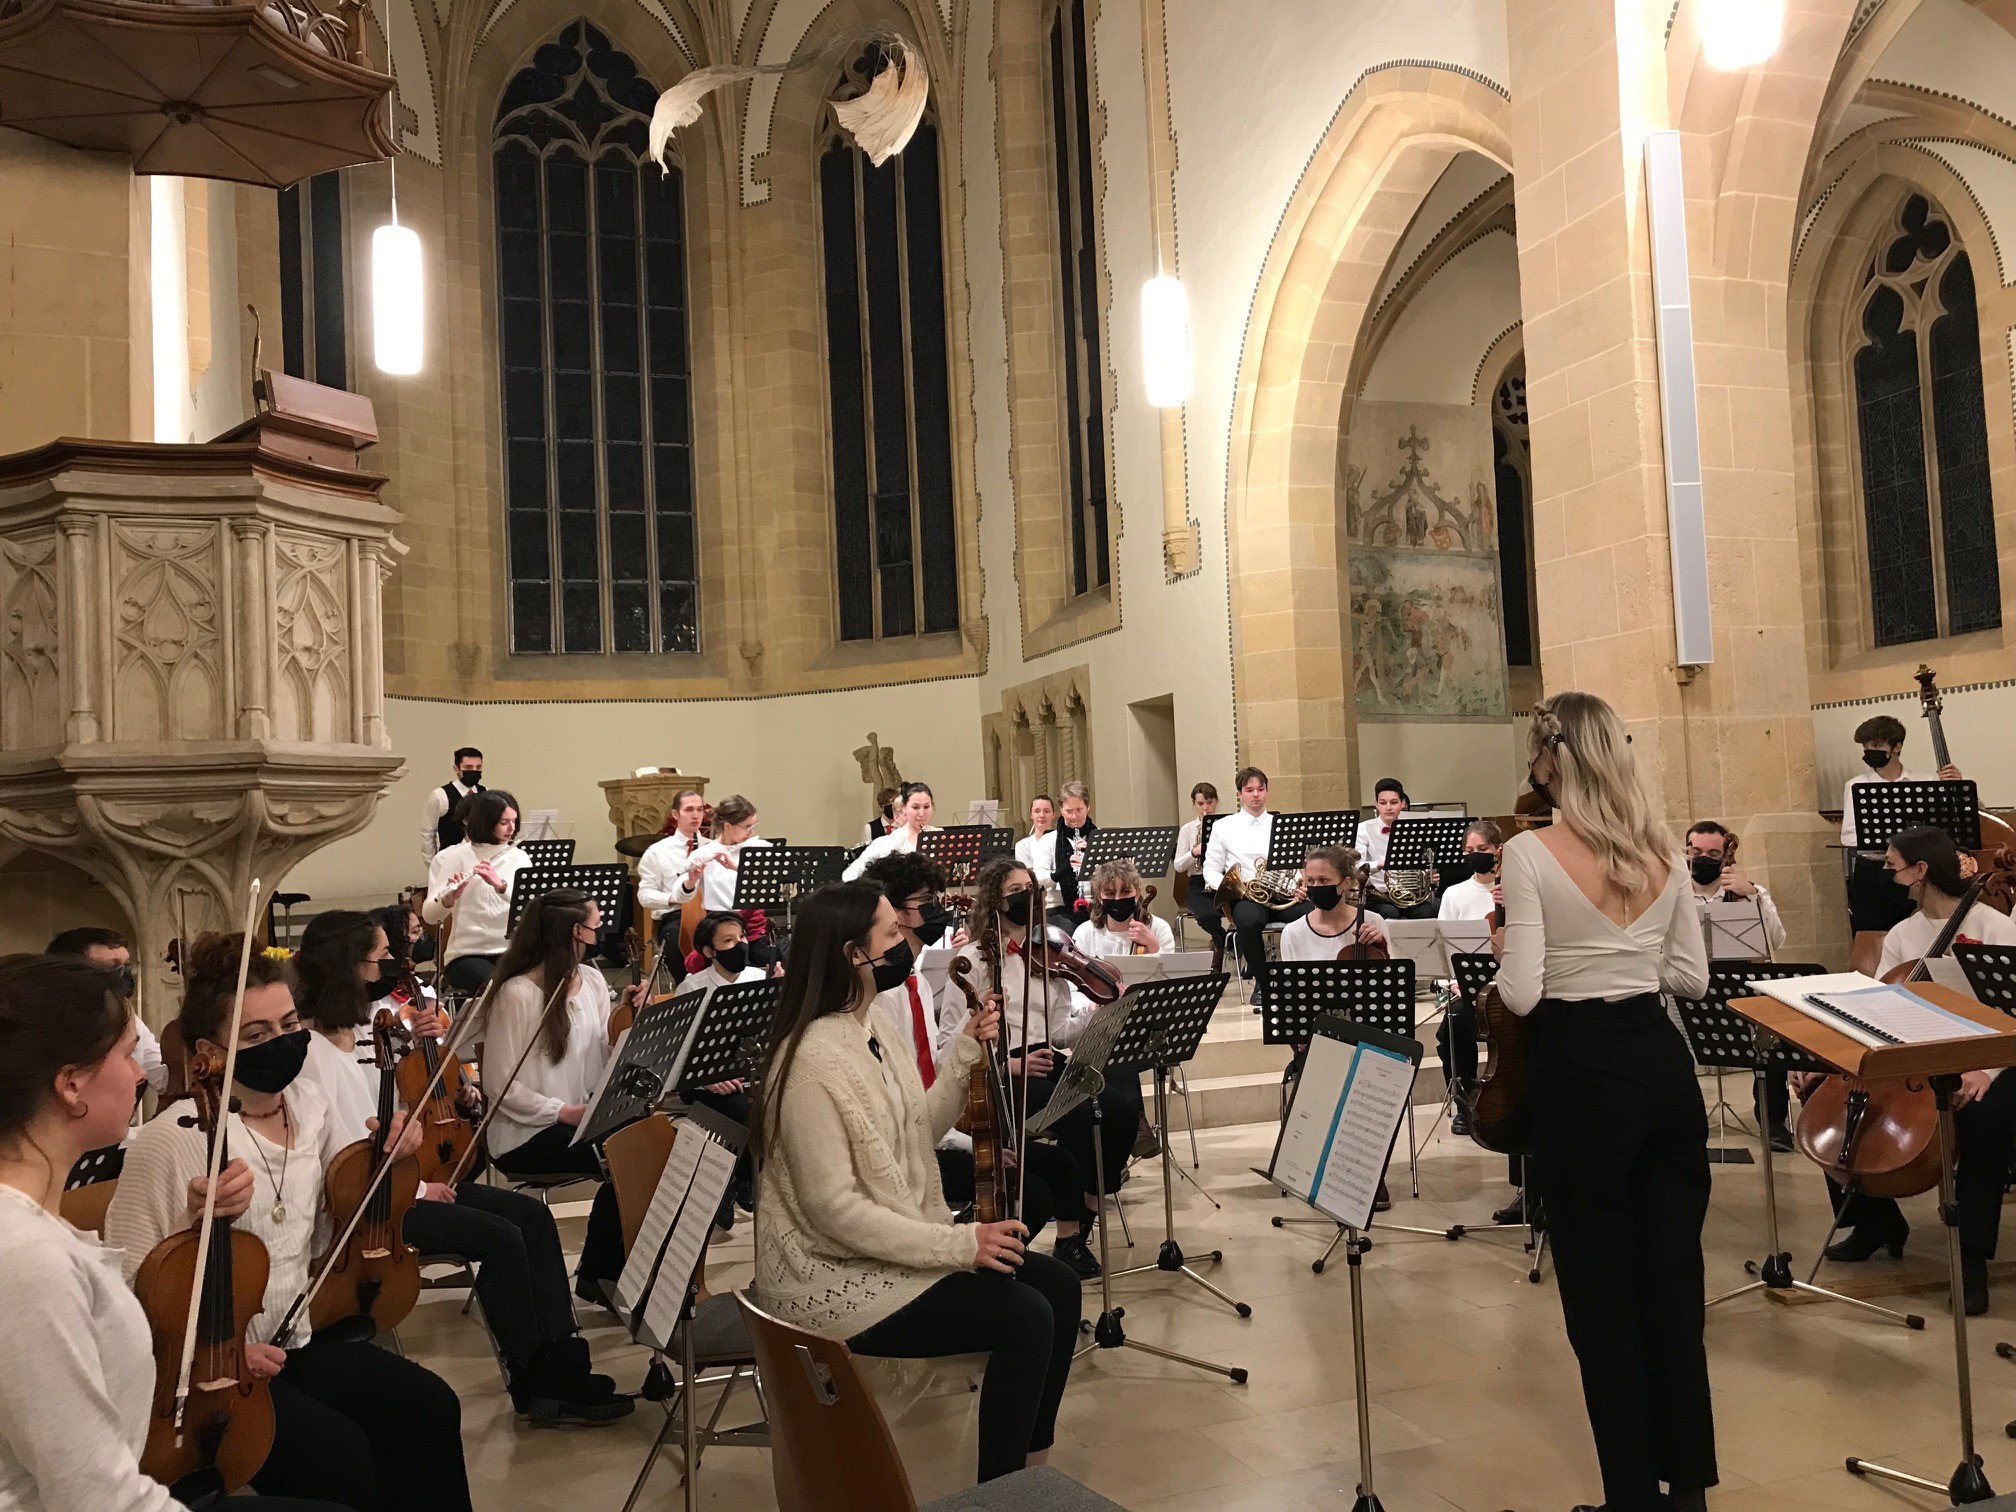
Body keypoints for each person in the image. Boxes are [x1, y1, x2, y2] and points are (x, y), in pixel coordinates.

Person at [105, 936, 473, 1512]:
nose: (281, 1042)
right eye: (256, 1035)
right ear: (209, 1052)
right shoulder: (172, 1140)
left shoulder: (308, 1105)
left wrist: (389, 1155)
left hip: (299, 1334)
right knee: (340, 1456)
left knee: (429, 1406)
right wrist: (191, 1235)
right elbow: (126, 1293)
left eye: (289, 1024)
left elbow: (332, 1231)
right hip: (216, 1374)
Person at [752, 882, 1080, 1484]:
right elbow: (833, 1209)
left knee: (1057, 1285)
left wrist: (965, 1052)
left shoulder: (872, 1021)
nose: (905, 941)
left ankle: (1031, 1472)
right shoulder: (808, 1063)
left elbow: (915, 1131)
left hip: (883, 1247)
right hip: (832, 1273)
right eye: (891, 933)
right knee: (1025, 1315)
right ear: (854, 954)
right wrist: (959, 1243)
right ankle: (1001, 1490)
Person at [0, 952, 349, 1512]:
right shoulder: (26, 1258)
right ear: (71, 1085)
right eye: (126, 1054)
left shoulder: (36, 1233)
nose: (143, 1073)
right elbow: (97, 1495)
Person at [1492, 691, 1714, 1512]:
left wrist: (1522, 951)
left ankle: (1631, 1497)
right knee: (1672, 1286)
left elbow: (1521, 995)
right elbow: (1690, 979)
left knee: (1600, 1298)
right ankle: (1687, 1491)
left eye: (1534, 752)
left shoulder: (1530, 852)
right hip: (1662, 1070)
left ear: (1553, 759)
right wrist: (1628, 957)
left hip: (1582, 1074)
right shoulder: (1661, 850)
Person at [291, 911, 629, 1425]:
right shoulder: (313, 1055)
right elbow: (343, 1159)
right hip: (370, 1207)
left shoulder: (368, 1030)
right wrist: (420, 1187)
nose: (392, 966)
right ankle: (533, 1379)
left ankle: (563, 1362)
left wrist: (446, 1088)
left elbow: (397, 1112)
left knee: (532, 1218)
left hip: (402, 1182)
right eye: (382, 958)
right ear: (348, 966)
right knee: (501, 1239)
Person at [1796, 825, 2016, 1315]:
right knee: (1833, 1103)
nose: (1887, 876)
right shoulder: (1902, 934)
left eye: (1893, 867)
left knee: (1984, 1118)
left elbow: (2011, 1013)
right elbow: (1882, 1010)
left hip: (1992, 1056)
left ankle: (1972, 1257)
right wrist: (1829, 1062)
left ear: (1921, 870)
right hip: (1920, 1055)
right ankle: (1875, 1222)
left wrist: (1984, 1070)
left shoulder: (1996, 929)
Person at [862, 851, 1077, 1245]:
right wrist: (974, 1145)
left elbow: (934, 1073)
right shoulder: (882, 998)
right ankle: (970, 1258)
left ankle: (1059, 1245)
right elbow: (904, 1100)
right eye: (926, 901)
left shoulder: (916, 986)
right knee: (1033, 1194)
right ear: (895, 914)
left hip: (934, 1127)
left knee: (1059, 1161)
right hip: (904, 1148)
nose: (938, 909)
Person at [956, 858, 1139, 1279]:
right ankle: (1068, 1237)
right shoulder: (976, 960)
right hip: (1003, 1071)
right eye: (1015, 891)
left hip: (1048, 1059)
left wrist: (1101, 1013)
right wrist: (1010, 1062)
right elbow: (953, 1040)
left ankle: (1087, 1207)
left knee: (1121, 1111)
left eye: (1030, 888)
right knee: (1078, 1114)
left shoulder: (1048, 956)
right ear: (995, 901)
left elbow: (1058, 1032)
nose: (1027, 897)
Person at [480, 889, 642, 1307]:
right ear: (575, 932)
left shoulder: (592, 980)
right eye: (595, 925)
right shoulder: (517, 993)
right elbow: (498, 1085)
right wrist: (562, 1111)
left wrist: (625, 1020)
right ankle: (599, 1275)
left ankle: (613, 1271)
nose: (600, 932)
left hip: (579, 1118)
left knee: (649, 1141)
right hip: (526, 1132)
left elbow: (598, 1060)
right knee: (625, 1158)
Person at [1684, 821, 1791, 1150]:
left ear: (1725, 856)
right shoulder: (1674, 894)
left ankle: (1773, 1122)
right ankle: (1684, 1122)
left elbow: (1777, 940)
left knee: (1771, 1038)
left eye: (1712, 853)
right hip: (1690, 986)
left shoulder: (1749, 892)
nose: (1703, 858)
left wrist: (1753, 896)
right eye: (1695, 851)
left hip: (1739, 985)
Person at [1840, 714, 1960, 933]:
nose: (1870, 751)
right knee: (1872, 936)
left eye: (1877, 746)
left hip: (1916, 872)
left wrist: (1956, 788)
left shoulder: (1924, 782)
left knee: (1923, 933)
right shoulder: (1856, 785)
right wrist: (1892, 842)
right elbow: (1848, 836)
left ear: (1897, 747)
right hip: (1873, 872)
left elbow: (1945, 828)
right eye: (1866, 747)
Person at [1203, 767, 1308, 1008]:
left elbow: (1293, 865)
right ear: (1239, 794)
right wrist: (1234, 888)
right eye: (1249, 790)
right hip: (1246, 897)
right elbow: (1210, 869)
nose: (1256, 795)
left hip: (1282, 896)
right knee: (1249, 922)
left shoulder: (1280, 824)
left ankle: (1303, 979)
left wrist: (1297, 886)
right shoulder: (1223, 826)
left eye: (1260, 789)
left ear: (1267, 791)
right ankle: (1263, 983)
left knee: (1311, 916)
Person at [421, 788, 531, 994]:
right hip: (468, 953)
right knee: (501, 990)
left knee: (543, 984)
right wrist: (447, 900)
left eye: (514, 821)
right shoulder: (455, 857)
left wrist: (501, 887)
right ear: (486, 822)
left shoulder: (519, 857)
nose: (512, 828)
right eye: (504, 822)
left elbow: (530, 906)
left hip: (512, 950)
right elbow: (429, 915)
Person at [1432, 823, 1500, 1137]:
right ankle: (1466, 1105)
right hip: (1469, 988)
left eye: (1482, 850)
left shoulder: (1513, 890)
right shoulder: (1455, 893)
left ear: (1498, 850)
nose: (1475, 855)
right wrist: (1455, 982)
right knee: (1452, 1027)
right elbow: (1444, 949)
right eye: (1470, 850)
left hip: (1508, 987)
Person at [46, 926, 166, 1097]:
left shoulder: (127, 1019)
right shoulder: (45, 1023)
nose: (123, 975)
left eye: (126, 966)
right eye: (111, 968)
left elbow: (161, 1074)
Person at [670, 794, 777, 967]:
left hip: (755, 933)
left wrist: (736, 868)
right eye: (747, 827)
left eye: (754, 825)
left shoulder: (760, 848)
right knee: (707, 964)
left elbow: (777, 880)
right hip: (722, 935)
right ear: (728, 826)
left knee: (783, 959)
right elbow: (679, 896)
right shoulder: (704, 853)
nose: (752, 832)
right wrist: (691, 881)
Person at [635, 788, 710, 935]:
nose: (695, 815)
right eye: (689, 810)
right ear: (675, 814)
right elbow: (644, 895)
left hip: (709, 913)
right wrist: (674, 898)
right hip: (675, 915)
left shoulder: (712, 848)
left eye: (699, 810)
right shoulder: (657, 851)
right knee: (677, 936)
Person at [1357, 778, 1434, 920]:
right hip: (1378, 895)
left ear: (1402, 803)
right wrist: (1380, 864)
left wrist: (1429, 875)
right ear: (1376, 804)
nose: (1388, 807)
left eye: (1393, 802)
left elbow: (1421, 863)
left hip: (1409, 893)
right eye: (1383, 803)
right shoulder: (1363, 829)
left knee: (1428, 911)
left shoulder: (1413, 829)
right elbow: (1357, 866)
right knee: (1389, 913)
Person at [1173, 782, 1229, 955]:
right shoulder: (1187, 830)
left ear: (1216, 802)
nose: (1206, 808)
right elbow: (1178, 865)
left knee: (1242, 913)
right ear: (1194, 804)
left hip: (1224, 879)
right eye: (1200, 803)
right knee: (1207, 916)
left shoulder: (1227, 826)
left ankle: (1226, 946)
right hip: (1198, 883)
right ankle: (1224, 941)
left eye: (1210, 802)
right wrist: (1194, 852)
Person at [844, 781, 936, 881]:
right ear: (897, 815)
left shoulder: (937, 835)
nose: (921, 814)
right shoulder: (884, 842)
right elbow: (851, 873)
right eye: (915, 807)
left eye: (926, 807)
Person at [420, 748, 486, 864]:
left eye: (478, 767)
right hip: (449, 862)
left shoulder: (486, 793)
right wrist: (433, 865)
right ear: (456, 769)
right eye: (468, 767)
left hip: (480, 861)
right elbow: (428, 834)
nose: (474, 771)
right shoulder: (440, 795)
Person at [1049, 782, 1098, 928]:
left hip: (1096, 904)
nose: (1074, 816)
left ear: (1088, 808)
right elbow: (1038, 881)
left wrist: (1092, 856)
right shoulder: (1048, 840)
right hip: (1059, 907)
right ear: (1061, 810)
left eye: (1079, 810)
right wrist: (1064, 868)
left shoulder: (1099, 838)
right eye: (1069, 811)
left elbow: (1111, 875)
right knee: (1068, 930)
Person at [1014, 795, 1061, 915]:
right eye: (1037, 811)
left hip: (1060, 899)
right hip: (1036, 901)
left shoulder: (1061, 841)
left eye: (1047, 811)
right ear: (1031, 815)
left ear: (1053, 814)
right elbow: (1029, 878)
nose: (1042, 815)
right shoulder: (1022, 845)